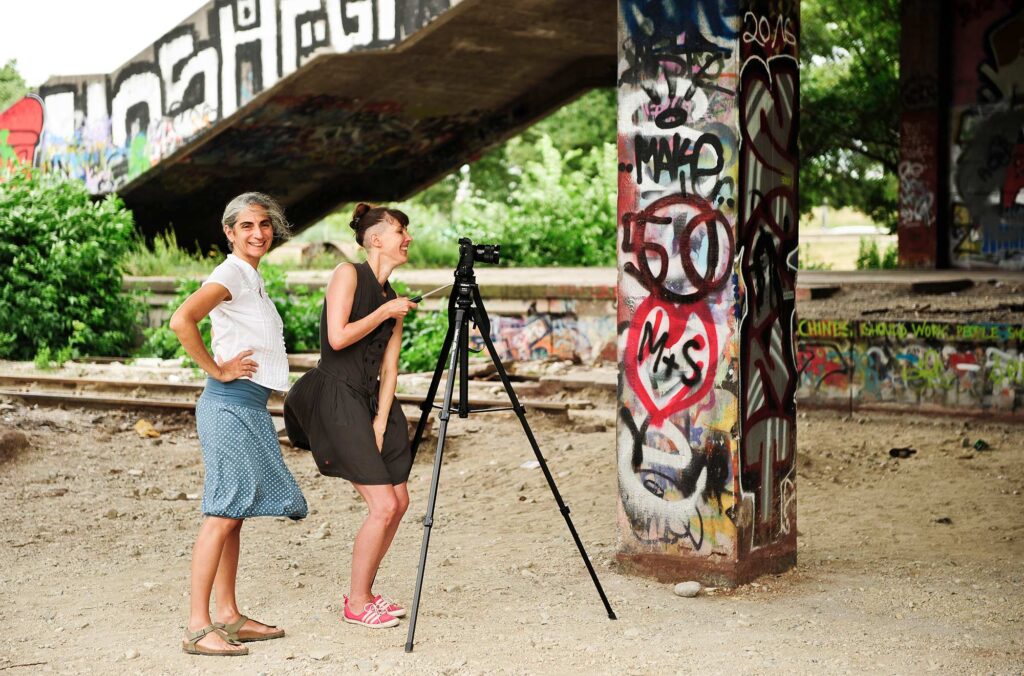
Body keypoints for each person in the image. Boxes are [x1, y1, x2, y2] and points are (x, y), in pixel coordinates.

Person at [170, 192, 308, 656]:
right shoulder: (230, 273)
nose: (258, 233)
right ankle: (196, 626)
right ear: (229, 232)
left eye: (264, 225)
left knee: (235, 515)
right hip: (227, 404)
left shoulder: (251, 277)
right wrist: (217, 368)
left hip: (247, 406)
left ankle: (228, 615)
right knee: (222, 513)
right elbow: (181, 319)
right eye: (247, 226)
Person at [284, 202, 417, 629]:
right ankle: (356, 603)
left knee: (399, 502)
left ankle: (367, 592)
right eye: (400, 230)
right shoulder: (347, 274)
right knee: (381, 505)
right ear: (376, 238)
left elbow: (390, 368)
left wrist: (380, 422)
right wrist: (383, 314)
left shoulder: (393, 298)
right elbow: (337, 339)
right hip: (335, 396)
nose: (407, 238)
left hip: (371, 400)